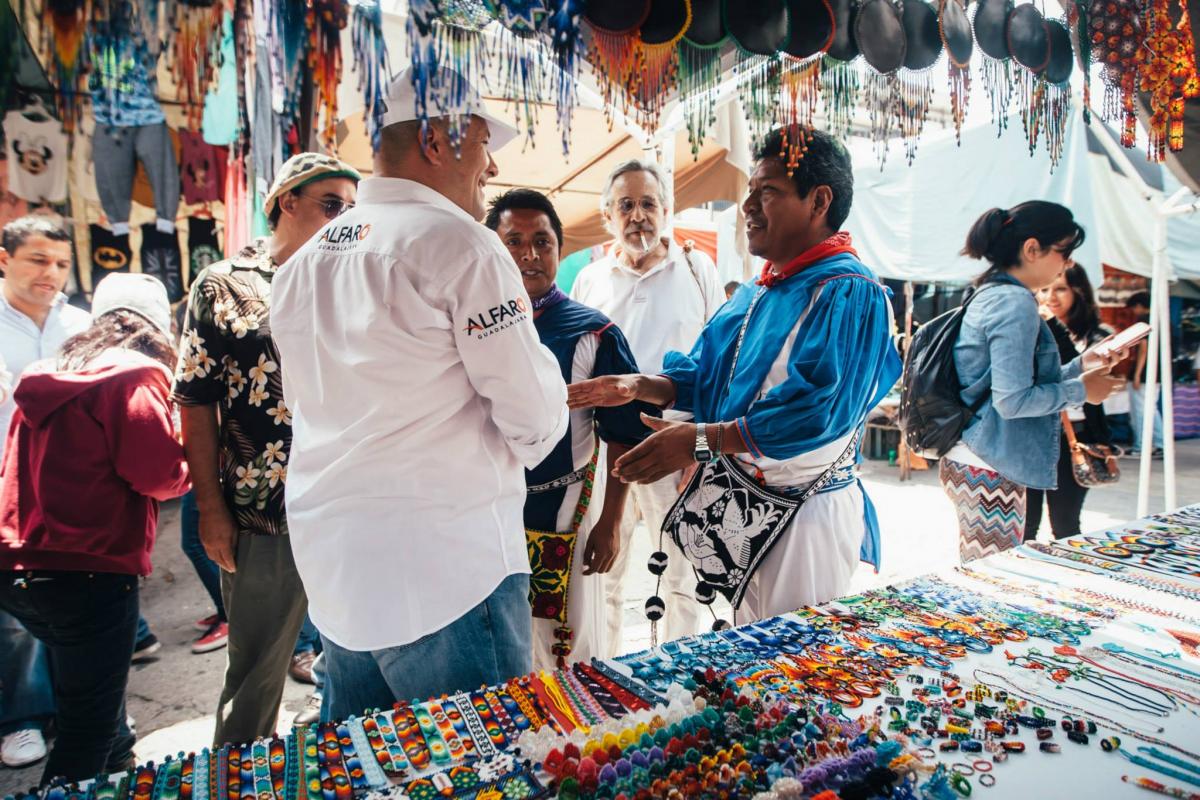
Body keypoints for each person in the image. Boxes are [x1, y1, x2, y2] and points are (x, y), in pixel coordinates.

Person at [271, 66, 567, 720]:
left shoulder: (305, 262)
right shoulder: (462, 245)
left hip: (339, 575)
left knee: (363, 769)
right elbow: (535, 420)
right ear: (438, 140)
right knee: (488, 771)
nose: (491, 168)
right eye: (485, 143)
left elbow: (309, 407)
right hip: (448, 574)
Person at [569, 126, 901, 621]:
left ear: (819, 201)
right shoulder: (760, 290)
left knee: (795, 659)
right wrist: (640, 386)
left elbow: (816, 414)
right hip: (746, 509)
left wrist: (698, 441)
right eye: (749, 193)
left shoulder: (847, 291)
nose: (747, 207)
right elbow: (706, 374)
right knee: (755, 652)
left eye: (766, 192)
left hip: (802, 518)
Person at [172, 152, 360, 746]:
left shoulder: (358, 278)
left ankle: (341, 766)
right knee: (255, 672)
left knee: (357, 658)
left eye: (353, 211)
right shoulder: (225, 286)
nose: (343, 220)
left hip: (351, 500)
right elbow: (196, 401)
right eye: (331, 205)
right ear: (287, 203)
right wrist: (210, 509)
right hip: (263, 510)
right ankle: (236, 775)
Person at [0, 272, 189, 784]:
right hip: (91, 569)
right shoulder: (138, 377)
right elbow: (159, 477)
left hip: (16, 564)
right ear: (157, 325)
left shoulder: (44, 371)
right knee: (85, 731)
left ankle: (120, 762)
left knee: (87, 692)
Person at [484, 188, 654, 667]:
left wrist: (610, 522)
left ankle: (567, 739)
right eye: (513, 242)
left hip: (565, 512)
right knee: (501, 639)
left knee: (565, 642)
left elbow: (622, 431)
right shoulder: (469, 325)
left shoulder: (592, 332)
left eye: (542, 241)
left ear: (561, 249)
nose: (529, 255)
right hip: (488, 511)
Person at [571, 159, 724, 649]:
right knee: (602, 574)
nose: (638, 216)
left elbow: (721, 365)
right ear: (607, 217)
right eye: (626, 205)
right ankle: (605, 674)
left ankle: (677, 676)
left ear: (666, 211)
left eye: (648, 204)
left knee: (681, 575)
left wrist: (701, 453)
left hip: (673, 449)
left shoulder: (698, 270)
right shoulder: (591, 280)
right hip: (602, 455)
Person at [942, 203, 1126, 562]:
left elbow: (1012, 382)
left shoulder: (994, 293)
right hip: (991, 463)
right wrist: (1083, 390)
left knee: (993, 574)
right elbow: (1012, 400)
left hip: (984, 457)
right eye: (1064, 251)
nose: (1068, 263)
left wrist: (1081, 366)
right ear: (1031, 249)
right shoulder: (1013, 303)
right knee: (994, 582)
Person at [0, 215, 88, 768]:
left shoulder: (81, 324)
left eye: (60, 263)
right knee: (15, 618)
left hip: (70, 490)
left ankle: (83, 710)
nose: (50, 273)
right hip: (4, 489)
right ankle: (22, 718)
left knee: (77, 605)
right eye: (38, 260)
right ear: (4, 258)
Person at [1024, 266, 1114, 541]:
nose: (1051, 296)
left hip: (1074, 439)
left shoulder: (1097, 335)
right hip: (1031, 437)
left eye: (1060, 288)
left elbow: (1071, 368)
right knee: (1025, 525)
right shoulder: (1027, 330)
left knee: (1065, 525)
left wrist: (1050, 324)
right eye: (1045, 289)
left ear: (1079, 291)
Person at [1125, 291, 1165, 457]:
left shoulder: (1143, 322)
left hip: (1144, 374)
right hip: (1157, 373)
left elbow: (1143, 349)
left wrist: (1137, 374)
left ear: (1140, 306)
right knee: (1151, 409)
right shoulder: (1163, 321)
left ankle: (1140, 445)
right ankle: (1160, 443)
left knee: (1139, 411)